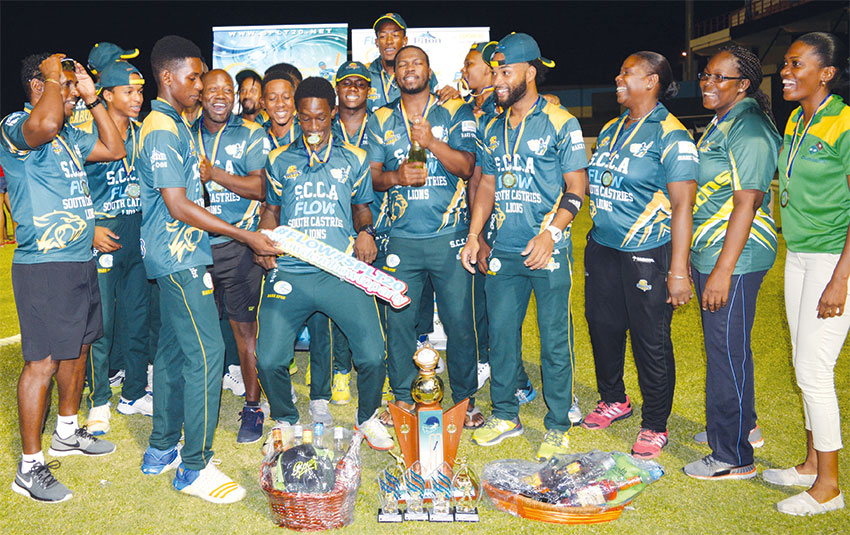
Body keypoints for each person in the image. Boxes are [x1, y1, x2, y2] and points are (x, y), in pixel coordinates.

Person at [136, 35, 280, 504]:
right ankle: (194, 466)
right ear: (168, 77)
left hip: (182, 255)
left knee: (175, 353)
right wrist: (246, 236)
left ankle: (160, 449)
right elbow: (177, 205)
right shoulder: (161, 127)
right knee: (207, 353)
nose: (200, 86)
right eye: (194, 77)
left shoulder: (174, 123)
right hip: (179, 256)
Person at [1, 52, 126, 502]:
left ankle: (68, 432)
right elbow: (44, 126)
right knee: (44, 362)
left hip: (79, 259)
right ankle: (30, 467)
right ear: (41, 83)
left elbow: (115, 149)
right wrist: (57, 78)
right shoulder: (17, 125)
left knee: (78, 348)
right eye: (69, 86)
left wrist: (94, 101)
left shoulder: (72, 133)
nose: (74, 93)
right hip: (44, 266)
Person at [460, 33, 588, 459]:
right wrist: (476, 234)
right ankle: (505, 414)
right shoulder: (492, 126)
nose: (497, 79)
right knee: (502, 337)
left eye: (505, 71)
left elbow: (576, 188)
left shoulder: (560, 122)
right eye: (494, 71)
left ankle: (556, 423)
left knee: (554, 340)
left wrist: (550, 234)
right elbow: (487, 187)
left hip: (546, 250)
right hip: (503, 251)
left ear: (530, 73)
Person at [254, 76, 394, 451]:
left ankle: (366, 419)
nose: (313, 127)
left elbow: (362, 208)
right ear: (296, 118)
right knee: (268, 359)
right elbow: (271, 211)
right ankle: (284, 420)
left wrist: (367, 232)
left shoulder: (356, 158)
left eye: (320, 118)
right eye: (305, 119)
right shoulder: (280, 159)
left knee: (372, 355)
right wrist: (263, 240)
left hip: (340, 272)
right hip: (293, 272)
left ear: (333, 113)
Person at [581, 52, 698, 460]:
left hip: (646, 250)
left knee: (650, 339)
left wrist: (679, 270)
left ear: (650, 81)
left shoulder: (672, 134)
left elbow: (683, 205)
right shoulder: (613, 128)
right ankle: (614, 399)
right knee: (603, 326)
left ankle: (655, 424)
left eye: (626, 73)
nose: (617, 78)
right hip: (603, 247)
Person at [368, 45, 480, 428]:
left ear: (429, 70)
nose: (408, 69)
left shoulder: (453, 110)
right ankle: (400, 398)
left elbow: (467, 167)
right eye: (401, 64)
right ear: (394, 74)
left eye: (416, 62)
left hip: (448, 236)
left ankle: (465, 399)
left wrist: (431, 142)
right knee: (398, 323)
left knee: (459, 321)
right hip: (399, 239)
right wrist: (397, 177)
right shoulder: (380, 118)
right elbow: (371, 177)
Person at [682, 46, 781, 477]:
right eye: (705, 75)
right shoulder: (725, 121)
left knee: (726, 351)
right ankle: (739, 424)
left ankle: (733, 456)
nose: (708, 83)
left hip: (735, 259)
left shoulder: (751, 129)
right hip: (714, 250)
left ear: (743, 85)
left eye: (719, 77)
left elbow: (747, 202)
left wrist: (722, 271)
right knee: (726, 349)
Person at [765, 32, 850, 516]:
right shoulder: (798, 118)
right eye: (785, 64)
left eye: (797, 64)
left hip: (833, 261)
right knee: (803, 363)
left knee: (815, 371)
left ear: (827, 73)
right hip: (798, 253)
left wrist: (840, 278)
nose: (786, 72)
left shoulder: (844, 123)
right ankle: (812, 464)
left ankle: (830, 489)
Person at [195, 69, 270, 444]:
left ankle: (253, 407)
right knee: (199, 332)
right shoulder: (184, 132)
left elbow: (260, 187)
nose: (221, 96)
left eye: (229, 90)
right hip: (193, 246)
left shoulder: (251, 133)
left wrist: (217, 174)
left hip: (238, 246)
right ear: (200, 93)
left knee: (244, 328)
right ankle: (194, 404)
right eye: (213, 90)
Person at [81, 60, 153, 435]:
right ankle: (98, 402)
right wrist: (88, 226)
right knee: (102, 324)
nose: (137, 98)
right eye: (128, 91)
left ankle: (135, 392)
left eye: (140, 91)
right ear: (106, 95)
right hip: (103, 234)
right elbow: (68, 188)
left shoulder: (146, 132)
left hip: (138, 233)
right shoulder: (85, 133)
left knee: (138, 319)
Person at [327, 61, 381, 406]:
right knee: (340, 304)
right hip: (335, 227)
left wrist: (370, 229)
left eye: (359, 84)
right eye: (345, 83)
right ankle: (341, 370)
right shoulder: (324, 126)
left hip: (377, 222)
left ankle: (380, 370)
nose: (352, 88)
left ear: (368, 91)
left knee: (379, 299)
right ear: (337, 89)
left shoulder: (382, 124)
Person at [367, 13, 440, 112]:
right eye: (383, 36)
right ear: (376, 42)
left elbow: (437, 105)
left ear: (405, 40)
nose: (389, 41)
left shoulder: (421, 73)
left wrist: (448, 94)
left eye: (395, 35)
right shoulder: (366, 74)